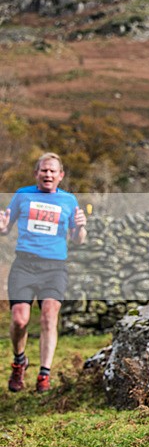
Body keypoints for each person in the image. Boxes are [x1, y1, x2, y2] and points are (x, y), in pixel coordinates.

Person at [1, 153, 87, 393]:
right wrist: (2, 227)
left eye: (52, 171)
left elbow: (78, 240)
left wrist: (81, 227)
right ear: (36, 173)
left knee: (49, 315)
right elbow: (6, 229)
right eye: (43, 170)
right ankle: (19, 362)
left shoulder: (69, 201)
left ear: (61, 176)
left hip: (54, 267)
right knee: (20, 318)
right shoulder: (22, 195)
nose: (48, 174)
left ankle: (44, 375)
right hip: (25, 265)